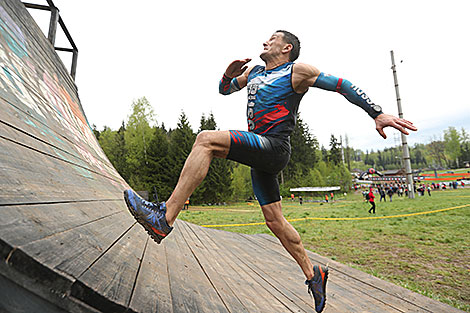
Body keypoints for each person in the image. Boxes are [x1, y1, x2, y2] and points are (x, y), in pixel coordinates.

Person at [123, 30, 417, 313]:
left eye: (272, 39)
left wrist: (376, 113)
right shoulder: (254, 73)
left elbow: (343, 85)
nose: (265, 41)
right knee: (274, 220)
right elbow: (225, 90)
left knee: (206, 140)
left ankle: (165, 217)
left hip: (274, 147)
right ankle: (313, 274)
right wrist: (228, 73)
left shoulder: (297, 71)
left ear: (286, 48)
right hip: (259, 152)